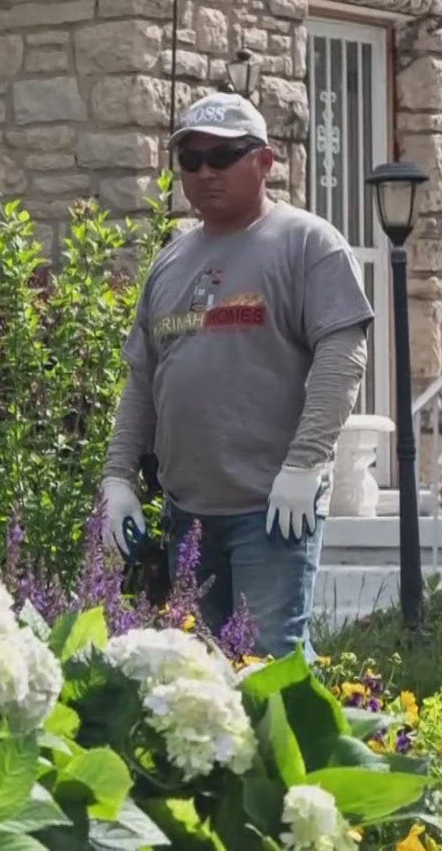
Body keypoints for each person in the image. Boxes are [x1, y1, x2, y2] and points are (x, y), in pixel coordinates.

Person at [99, 92, 372, 658]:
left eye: (221, 158)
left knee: (269, 676)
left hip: (271, 512)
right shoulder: (170, 259)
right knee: (198, 684)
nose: (203, 173)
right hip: (186, 514)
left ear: (264, 161)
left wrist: (304, 465)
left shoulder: (308, 244)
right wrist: (118, 479)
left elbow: (341, 358)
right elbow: (142, 379)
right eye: (190, 161)